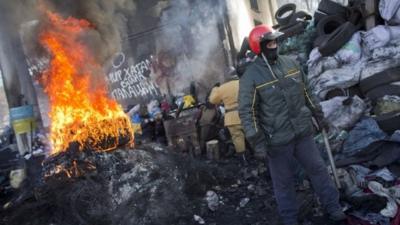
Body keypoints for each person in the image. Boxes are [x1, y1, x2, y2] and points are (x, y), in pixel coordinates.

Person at [238, 25, 346, 225]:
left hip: (303, 133)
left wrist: (319, 115)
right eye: (269, 43)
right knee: (284, 184)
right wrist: (257, 142)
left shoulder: (290, 64)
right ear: (259, 47)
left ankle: (334, 208)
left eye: (275, 41)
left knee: (319, 169)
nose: (274, 45)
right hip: (277, 141)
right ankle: (290, 220)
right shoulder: (251, 77)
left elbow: (307, 92)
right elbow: (247, 112)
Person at [209, 68, 248, 164]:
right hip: (247, 114)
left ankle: (244, 161)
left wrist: (215, 88)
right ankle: (261, 156)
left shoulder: (222, 88)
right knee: (253, 135)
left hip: (232, 118)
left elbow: (212, 100)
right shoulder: (243, 82)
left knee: (237, 138)